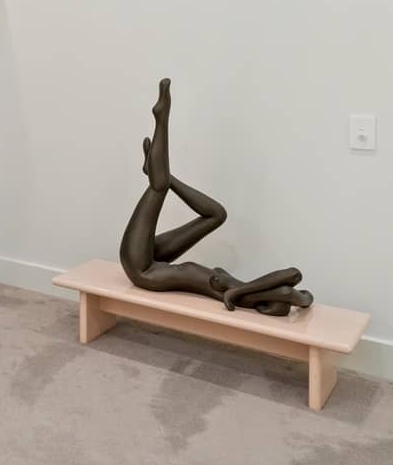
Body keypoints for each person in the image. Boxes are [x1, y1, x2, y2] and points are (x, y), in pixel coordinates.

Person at [118, 79, 314, 316]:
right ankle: (166, 175)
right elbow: (292, 276)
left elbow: (290, 282)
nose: (283, 295)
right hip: (150, 263)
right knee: (215, 214)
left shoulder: (236, 292)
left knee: (158, 188)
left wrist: (239, 293)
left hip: (144, 270)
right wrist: (238, 292)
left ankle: (162, 126)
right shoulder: (237, 290)